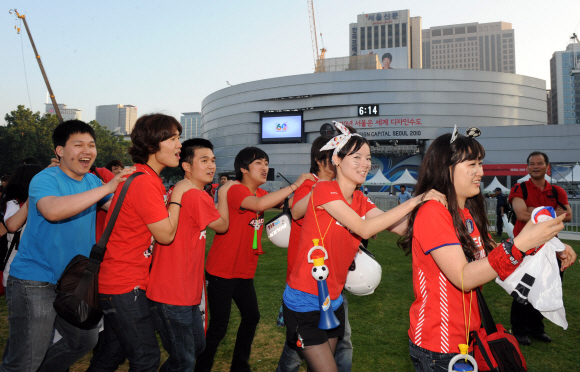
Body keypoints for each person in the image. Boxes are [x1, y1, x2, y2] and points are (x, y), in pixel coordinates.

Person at [399, 129, 575, 371]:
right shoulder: (432, 212)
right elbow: (464, 277)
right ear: (446, 168)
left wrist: (547, 245)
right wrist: (522, 243)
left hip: (467, 335)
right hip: (440, 343)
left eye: (480, 163)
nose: (481, 172)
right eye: (472, 164)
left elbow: (495, 254)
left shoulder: (465, 212)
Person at [283, 122, 446, 372]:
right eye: (356, 157)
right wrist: (417, 199)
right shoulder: (324, 190)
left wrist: (441, 218)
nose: (365, 164)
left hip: (333, 301)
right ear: (336, 159)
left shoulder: (360, 198)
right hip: (304, 300)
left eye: (368, 158)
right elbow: (365, 229)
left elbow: (400, 227)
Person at [0, 120, 134, 372]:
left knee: (83, 340)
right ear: (59, 151)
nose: (87, 150)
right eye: (79, 144)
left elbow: (120, 211)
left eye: (91, 145)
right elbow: (52, 210)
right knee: (26, 360)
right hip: (34, 281)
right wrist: (107, 186)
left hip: (73, 282)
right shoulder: (44, 179)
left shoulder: (92, 182)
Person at [88, 114, 195, 372]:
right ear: (150, 145)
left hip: (121, 282)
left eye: (178, 137)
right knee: (146, 358)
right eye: (172, 138)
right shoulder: (145, 182)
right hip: (125, 285)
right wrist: (178, 195)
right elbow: (165, 235)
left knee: (113, 354)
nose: (179, 144)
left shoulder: (143, 177)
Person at [194, 147, 315, 372]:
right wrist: (296, 184)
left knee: (251, 317)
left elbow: (287, 204)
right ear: (243, 169)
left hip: (244, 272)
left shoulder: (259, 194)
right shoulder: (236, 190)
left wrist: (315, 190)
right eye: (259, 163)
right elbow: (259, 206)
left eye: (266, 163)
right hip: (222, 271)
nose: (265, 167)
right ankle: (201, 367)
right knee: (219, 328)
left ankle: (240, 366)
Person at [147, 138, 235, 371]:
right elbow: (223, 225)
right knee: (184, 360)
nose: (211, 166)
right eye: (204, 160)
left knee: (194, 348)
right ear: (186, 166)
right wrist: (224, 194)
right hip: (174, 292)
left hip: (179, 290)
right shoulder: (195, 195)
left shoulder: (182, 192)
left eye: (213, 160)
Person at [508, 151, 573, 345]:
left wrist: (534, 212)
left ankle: (537, 329)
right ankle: (519, 329)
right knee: (523, 290)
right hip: (526, 248)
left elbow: (568, 215)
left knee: (545, 288)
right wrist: (553, 213)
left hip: (551, 249)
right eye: (531, 164)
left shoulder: (557, 191)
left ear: (547, 166)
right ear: (527, 167)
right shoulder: (520, 188)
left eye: (540, 163)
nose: (535, 166)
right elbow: (520, 214)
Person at [0, 164, 43, 287]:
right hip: (17, 274)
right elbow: (12, 226)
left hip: (40, 272)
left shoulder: (45, 203)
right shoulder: (14, 204)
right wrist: (33, 197)